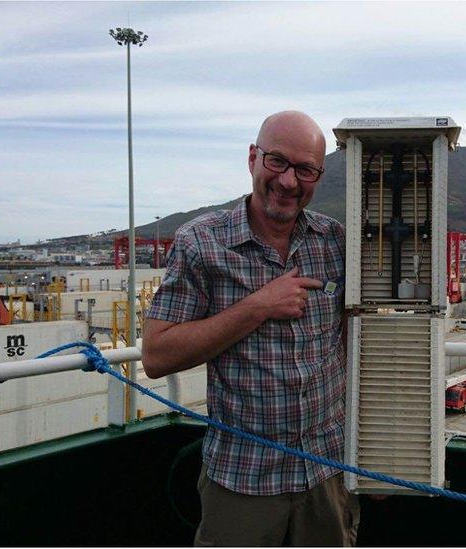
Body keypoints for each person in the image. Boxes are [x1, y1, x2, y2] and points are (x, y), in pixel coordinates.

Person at [142, 111, 359, 546]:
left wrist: (372, 454)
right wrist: (257, 306)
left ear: (319, 175)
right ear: (252, 158)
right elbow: (156, 355)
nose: (288, 181)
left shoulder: (337, 242)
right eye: (277, 162)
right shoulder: (201, 243)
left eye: (305, 169)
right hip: (242, 480)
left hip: (327, 474)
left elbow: (359, 344)